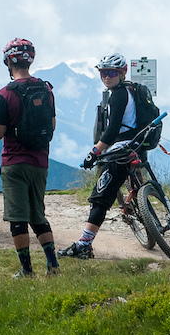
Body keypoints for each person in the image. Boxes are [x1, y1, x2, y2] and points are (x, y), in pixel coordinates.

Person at [59, 53, 159, 260]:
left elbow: (112, 130)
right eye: (103, 73)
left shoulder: (118, 95)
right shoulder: (131, 89)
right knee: (133, 183)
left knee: (100, 198)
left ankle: (84, 245)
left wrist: (94, 152)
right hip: (137, 144)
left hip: (121, 149)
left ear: (122, 73)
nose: (107, 77)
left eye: (112, 72)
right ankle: (145, 214)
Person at [0, 38, 59, 277]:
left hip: (14, 162)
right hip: (40, 162)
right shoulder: (47, 90)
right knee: (38, 215)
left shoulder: (5, 94)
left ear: (8, 61)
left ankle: (26, 270)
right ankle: (53, 265)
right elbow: (52, 125)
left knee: (18, 218)